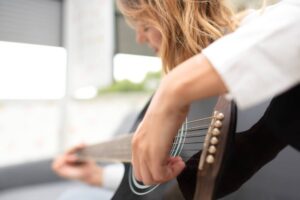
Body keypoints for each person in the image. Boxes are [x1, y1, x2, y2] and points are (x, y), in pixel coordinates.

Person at [53, 0, 240, 199]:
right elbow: (171, 181)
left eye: (145, 26)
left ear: (175, 20)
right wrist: (96, 175)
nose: (140, 38)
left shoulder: (251, 44)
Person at [131, 0, 300, 187]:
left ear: (172, 17)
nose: (138, 39)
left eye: (145, 26)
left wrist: (172, 89)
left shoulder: (252, 28)